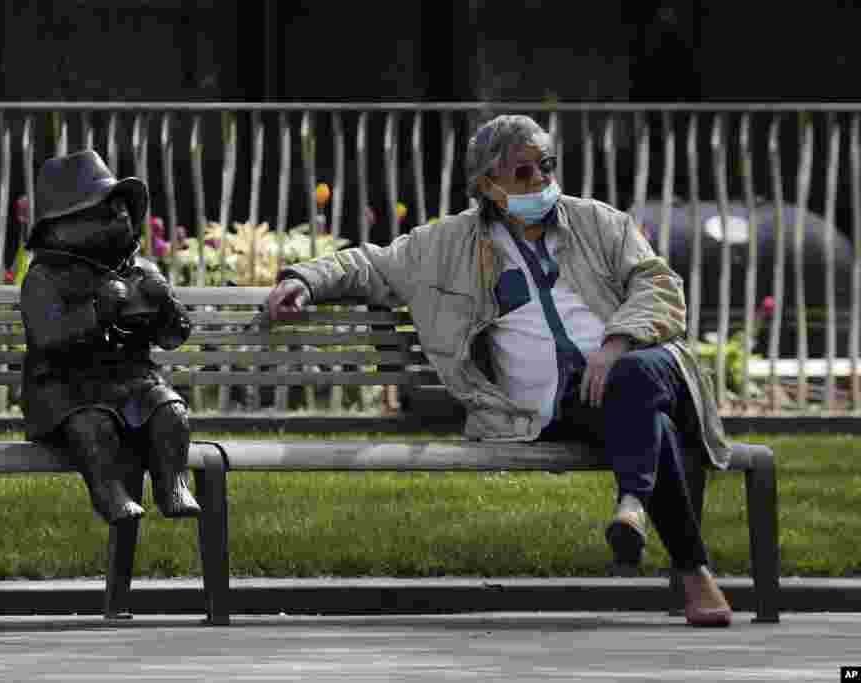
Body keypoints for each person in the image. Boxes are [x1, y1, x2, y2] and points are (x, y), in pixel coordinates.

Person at [265, 115, 734, 627]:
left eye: (546, 167)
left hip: (642, 365)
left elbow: (658, 283)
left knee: (636, 375)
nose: (540, 181)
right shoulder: (449, 246)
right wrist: (305, 281)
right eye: (523, 172)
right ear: (487, 185)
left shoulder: (601, 223)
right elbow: (370, 265)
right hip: (563, 404)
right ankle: (682, 561)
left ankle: (638, 508)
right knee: (653, 422)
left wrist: (617, 340)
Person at [21, 149, 201, 525]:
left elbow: (172, 337)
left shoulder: (139, 270)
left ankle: (173, 484)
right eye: (104, 210)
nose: (120, 216)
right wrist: (96, 313)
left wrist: (166, 306)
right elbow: (49, 338)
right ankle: (108, 492)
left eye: (122, 208)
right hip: (64, 391)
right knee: (94, 425)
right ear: (61, 224)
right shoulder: (45, 278)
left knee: (170, 411)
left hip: (131, 384)